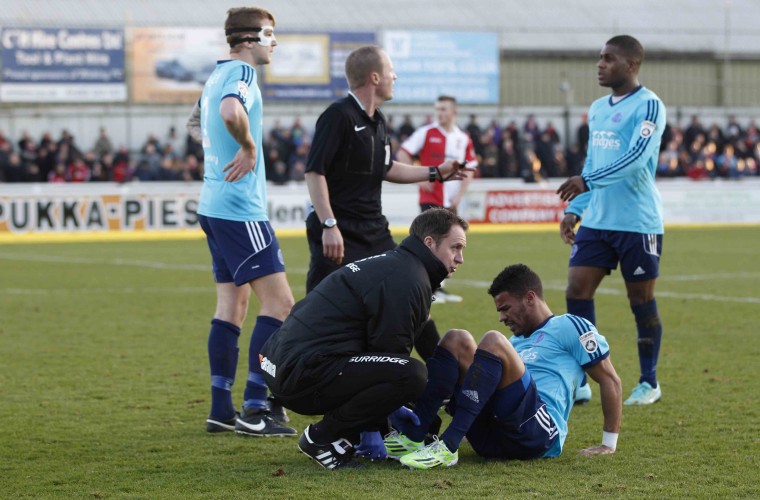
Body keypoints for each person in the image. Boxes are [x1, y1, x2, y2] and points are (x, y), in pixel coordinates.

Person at [260, 208, 469, 469]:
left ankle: (348, 434)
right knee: (411, 375)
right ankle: (322, 437)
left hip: (280, 363)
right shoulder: (408, 278)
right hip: (301, 372)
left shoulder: (399, 265)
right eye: (455, 248)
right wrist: (376, 425)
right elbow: (389, 355)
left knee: (404, 375)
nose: (460, 258)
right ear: (430, 243)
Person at [304, 45, 469, 359]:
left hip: (373, 230)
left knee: (412, 292)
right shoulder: (337, 115)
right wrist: (329, 224)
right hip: (338, 230)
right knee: (318, 308)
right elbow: (315, 171)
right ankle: (282, 383)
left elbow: (387, 168)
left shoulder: (378, 121)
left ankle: (445, 376)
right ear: (375, 77)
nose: (395, 76)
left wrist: (436, 172)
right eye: (391, 70)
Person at [384, 264, 622, 469]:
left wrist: (608, 444)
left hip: (538, 435)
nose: (502, 317)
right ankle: (415, 435)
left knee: (493, 340)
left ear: (530, 298)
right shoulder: (513, 343)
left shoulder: (569, 326)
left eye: (505, 308)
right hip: (494, 438)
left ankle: (448, 444)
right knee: (456, 338)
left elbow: (609, 379)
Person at [194, 6, 297, 437]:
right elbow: (231, 113)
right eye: (271, 35)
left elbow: (201, 118)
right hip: (239, 209)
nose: (275, 43)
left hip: (213, 204)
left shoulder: (215, 74)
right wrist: (250, 147)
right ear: (250, 39)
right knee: (280, 305)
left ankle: (220, 408)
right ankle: (256, 408)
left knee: (232, 306)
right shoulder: (243, 74)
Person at [556, 35, 666, 406]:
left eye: (609, 58)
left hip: (637, 222)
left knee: (641, 301)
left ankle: (649, 382)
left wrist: (586, 181)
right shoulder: (598, 108)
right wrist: (577, 208)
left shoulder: (650, 105)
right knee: (576, 292)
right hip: (598, 220)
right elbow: (593, 162)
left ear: (631, 65)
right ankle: (586, 378)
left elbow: (636, 157)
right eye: (599, 58)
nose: (600, 64)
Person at [396, 95, 478, 304]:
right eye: (437, 109)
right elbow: (403, 154)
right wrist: (420, 179)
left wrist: (460, 195)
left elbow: (469, 169)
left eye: (443, 109)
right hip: (431, 198)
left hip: (451, 201)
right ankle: (429, 289)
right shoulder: (426, 132)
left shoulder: (463, 138)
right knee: (431, 243)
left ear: (454, 112)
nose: (439, 113)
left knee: (449, 244)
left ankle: (438, 287)